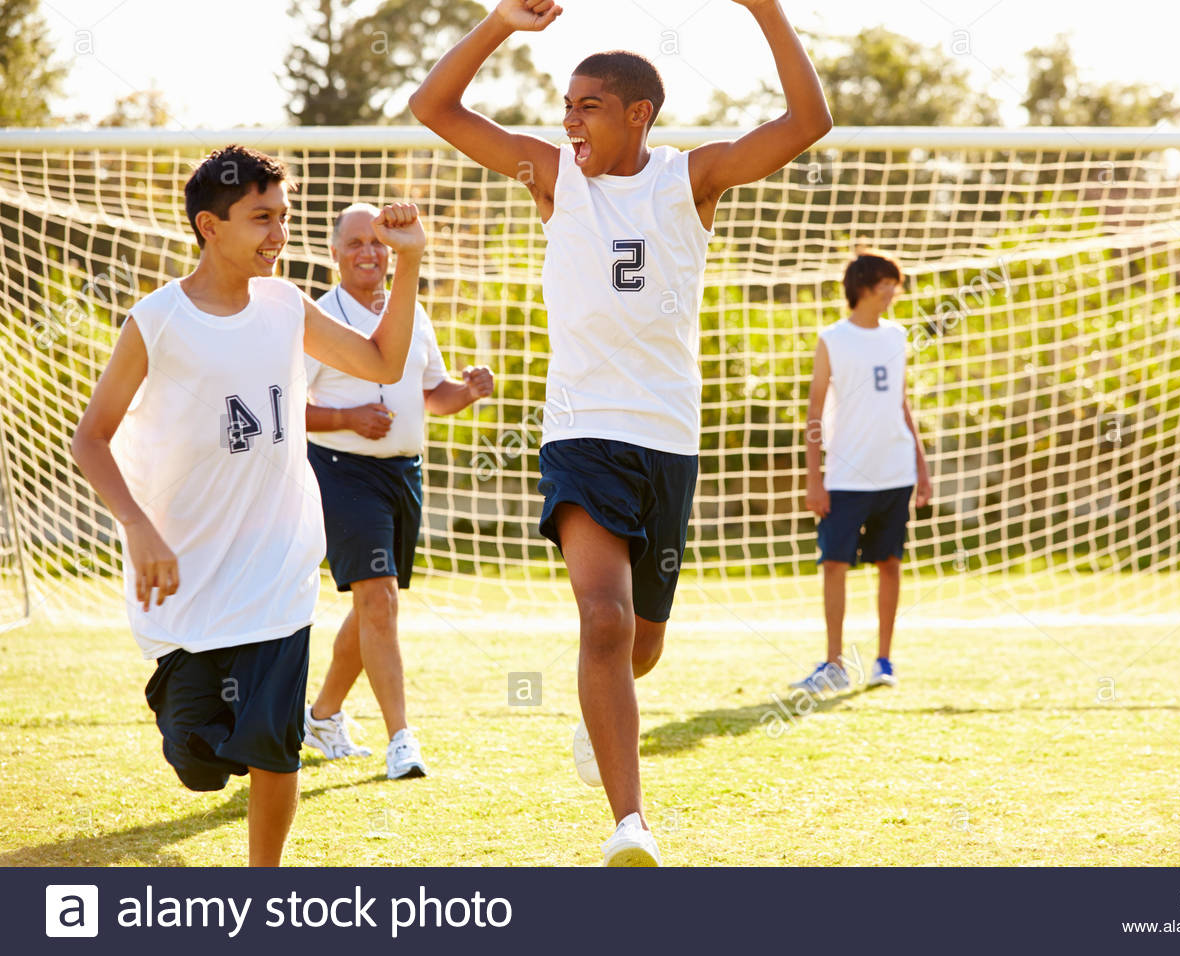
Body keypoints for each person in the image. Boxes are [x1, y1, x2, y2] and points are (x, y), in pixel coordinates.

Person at [409, 0, 832, 865]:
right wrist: (499, 25)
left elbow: (809, 121)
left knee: (641, 644)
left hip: (669, 439)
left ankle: (599, 720)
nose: (568, 122)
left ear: (639, 114)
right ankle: (630, 825)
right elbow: (434, 109)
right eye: (565, 106)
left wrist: (766, 11)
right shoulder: (552, 177)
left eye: (588, 106)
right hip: (581, 433)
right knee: (602, 622)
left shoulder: (690, 179)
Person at [70, 145, 425, 866]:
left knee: (273, 742)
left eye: (284, 218)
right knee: (198, 759)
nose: (279, 235)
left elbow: (384, 364)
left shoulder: (285, 305)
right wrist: (138, 527)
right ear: (210, 225)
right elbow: (90, 440)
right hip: (190, 574)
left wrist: (410, 261)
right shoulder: (157, 321)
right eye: (262, 219)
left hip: (280, 566)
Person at [301, 202, 494, 779]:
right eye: (355, 242)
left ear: (393, 252)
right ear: (334, 252)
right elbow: (285, 407)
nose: (368, 251)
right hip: (341, 469)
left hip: (404, 473)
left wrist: (468, 391)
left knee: (374, 606)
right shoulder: (319, 318)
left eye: (379, 242)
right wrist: (349, 417)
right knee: (379, 597)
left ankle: (321, 715)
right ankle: (401, 741)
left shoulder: (414, 313)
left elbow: (433, 394)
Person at [796, 252, 932, 696]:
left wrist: (922, 464)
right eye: (889, 283)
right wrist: (814, 478)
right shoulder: (832, 339)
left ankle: (883, 660)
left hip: (894, 471)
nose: (895, 291)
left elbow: (902, 402)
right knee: (835, 564)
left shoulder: (897, 336)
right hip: (845, 475)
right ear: (868, 287)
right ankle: (834, 663)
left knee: (889, 563)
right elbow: (815, 411)